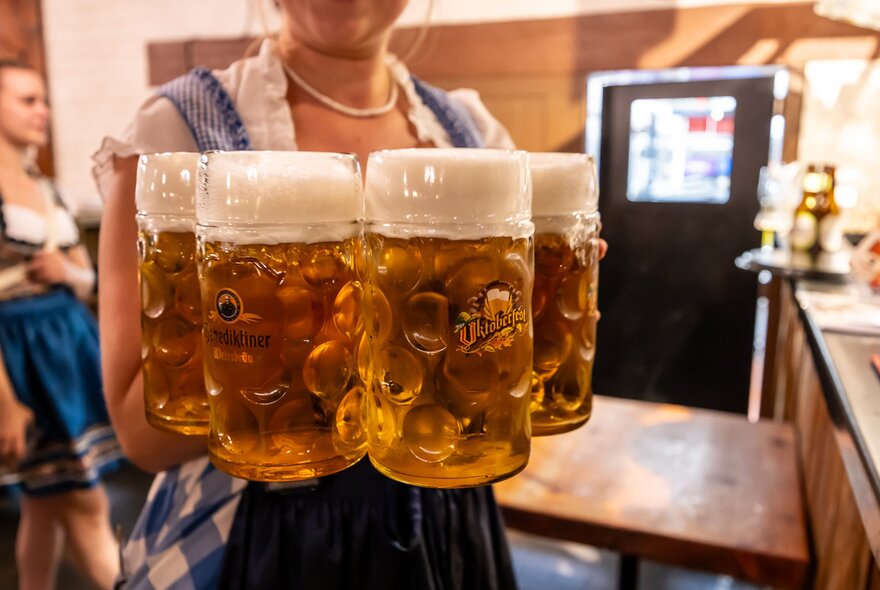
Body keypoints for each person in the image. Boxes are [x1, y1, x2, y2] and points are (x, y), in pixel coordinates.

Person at [95, 2, 604, 588]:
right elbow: (140, 435)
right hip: (256, 531)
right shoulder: (174, 129)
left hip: (447, 512)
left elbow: (509, 378)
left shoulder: (473, 132)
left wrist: (540, 311)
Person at [0, 60, 122, 590]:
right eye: (27, 100)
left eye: (43, 100)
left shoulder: (44, 187)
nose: (41, 111)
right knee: (84, 502)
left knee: (44, 504)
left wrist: (63, 271)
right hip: (19, 360)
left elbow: (87, 279)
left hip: (67, 351)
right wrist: (5, 403)